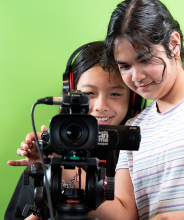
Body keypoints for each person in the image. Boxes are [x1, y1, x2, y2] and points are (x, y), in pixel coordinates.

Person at [88, 0, 184, 219]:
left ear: (174, 44)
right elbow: (125, 214)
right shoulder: (134, 129)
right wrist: (61, 173)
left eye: (146, 59)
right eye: (125, 66)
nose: (137, 77)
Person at [5, 41, 140, 220]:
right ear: (70, 96)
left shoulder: (139, 155)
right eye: (89, 94)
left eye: (115, 94)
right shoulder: (47, 157)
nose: (100, 106)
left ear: (133, 98)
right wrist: (49, 165)